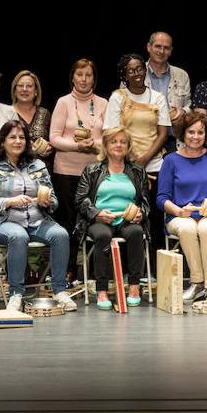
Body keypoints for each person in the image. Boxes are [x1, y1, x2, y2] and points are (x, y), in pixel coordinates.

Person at [0, 119, 73, 312]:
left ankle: (59, 290)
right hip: (5, 222)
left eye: (22, 137)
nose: (18, 141)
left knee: (61, 234)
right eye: (12, 137)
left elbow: (53, 199)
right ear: (2, 141)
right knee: (18, 236)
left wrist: (48, 202)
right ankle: (16, 294)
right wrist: (8, 202)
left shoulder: (38, 165)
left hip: (37, 220)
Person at [156, 110, 207, 303]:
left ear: (206, 135)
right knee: (188, 227)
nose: (196, 137)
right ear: (183, 133)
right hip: (180, 216)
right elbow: (162, 198)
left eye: (200, 132)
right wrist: (178, 210)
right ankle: (197, 283)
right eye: (191, 132)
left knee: (206, 227)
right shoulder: (171, 160)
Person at [76, 127, 148, 310]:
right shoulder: (92, 170)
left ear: (128, 146)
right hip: (100, 219)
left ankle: (133, 286)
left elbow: (146, 202)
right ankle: (101, 290)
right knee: (102, 236)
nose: (118, 145)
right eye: (113, 141)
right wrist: (96, 213)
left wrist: (141, 213)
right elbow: (80, 200)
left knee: (136, 232)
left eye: (123, 142)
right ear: (106, 146)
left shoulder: (138, 171)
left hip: (127, 220)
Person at [48, 58, 105, 279]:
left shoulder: (103, 103)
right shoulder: (63, 102)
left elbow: (108, 139)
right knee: (68, 222)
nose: (83, 79)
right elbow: (53, 138)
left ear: (94, 78)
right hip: (66, 172)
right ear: (72, 77)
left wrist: (94, 146)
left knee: (93, 220)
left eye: (88, 75)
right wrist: (77, 146)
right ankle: (68, 270)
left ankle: (93, 272)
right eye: (79, 74)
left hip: (94, 173)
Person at [145, 32, 191, 137]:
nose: (161, 51)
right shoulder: (136, 74)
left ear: (170, 51)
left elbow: (189, 105)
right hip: (145, 140)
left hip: (175, 139)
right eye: (158, 46)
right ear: (149, 47)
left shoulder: (182, 75)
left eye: (166, 48)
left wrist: (183, 112)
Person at [11, 70, 53, 167]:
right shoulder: (6, 112)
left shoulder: (45, 113)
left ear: (36, 91)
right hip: (14, 171)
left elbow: (53, 140)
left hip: (41, 172)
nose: (24, 89)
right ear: (14, 90)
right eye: (20, 86)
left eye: (29, 86)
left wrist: (50, 148)